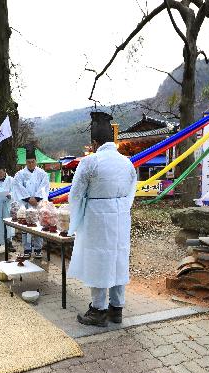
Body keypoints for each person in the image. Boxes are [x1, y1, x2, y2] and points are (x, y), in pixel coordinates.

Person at [67, 112, 137, 327]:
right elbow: (131, 192)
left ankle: (98, 310)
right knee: (117, 259)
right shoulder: (127, 164)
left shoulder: (90, 162)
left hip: (97, 216)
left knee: (99, 260)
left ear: (95, 142)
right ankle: (117, 309)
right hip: (121, 216)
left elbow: (76, 194)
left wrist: (75, 219)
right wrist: (121, 208)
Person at [14, 145, 50, 259]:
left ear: (36, 161)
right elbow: (18, 187)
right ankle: (27, 248)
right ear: (26, 162)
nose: (31, 164)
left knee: (38, 225)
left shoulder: (42, 173)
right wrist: (28, 198)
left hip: (38, 204)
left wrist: (37, 198)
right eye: (29, 162)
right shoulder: (20, 174)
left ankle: (38, 249)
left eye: (33, 162)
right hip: (25, 204)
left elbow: (44, 187)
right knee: (26, 227)